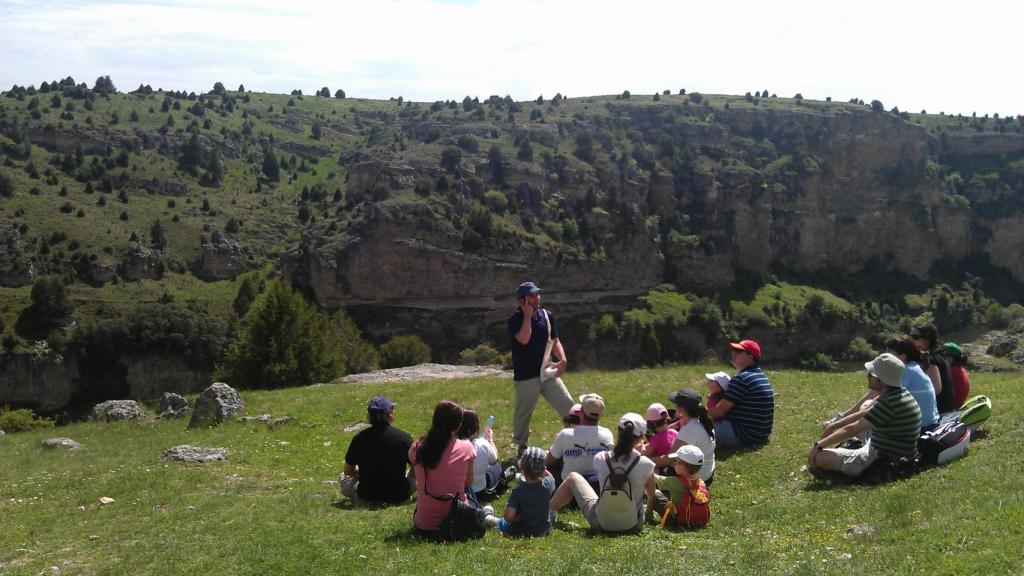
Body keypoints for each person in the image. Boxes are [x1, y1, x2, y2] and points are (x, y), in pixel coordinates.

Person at [808, 353, 922, 478]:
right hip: (894, 450)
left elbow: (851, 429)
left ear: (881, 379)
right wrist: (834, 425)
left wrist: (818, 446)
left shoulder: (889, 403)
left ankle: (839, 471)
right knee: (867, 404)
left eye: (871, 374)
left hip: (881, 459)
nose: (868, 375)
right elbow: (865, 413)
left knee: (821, 458)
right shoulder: (899, 394)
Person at [549, 413, 656, 534]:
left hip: (601, 522)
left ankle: (550, 512)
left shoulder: (600, 458)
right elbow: (651, 494)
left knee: (573, 477)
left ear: (618, 431)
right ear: (641, 437)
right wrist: (649, 514)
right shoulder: (647, 464)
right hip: (633, 525)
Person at [508, 281, 574, 453]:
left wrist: (563, 360)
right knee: (524, 414)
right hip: (526, 376)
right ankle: (521, 446)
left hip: (546, 371)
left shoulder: (547, 316)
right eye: (531, 296)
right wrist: (528, 316)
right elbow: (524, 339)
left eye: (537, 294)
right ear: (522, 301)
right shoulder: (514, 320)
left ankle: (573, 438)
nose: (537, 298)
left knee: (567, 405)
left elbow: (555, 340)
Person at [409, 400, 477, 534]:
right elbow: (468, 483)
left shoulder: (417, 447)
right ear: (458, 426)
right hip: (456, 523)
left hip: (423, 525)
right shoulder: (466, 448)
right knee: (471, 499)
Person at [340, 396, 414, 505]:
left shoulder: (359, 438)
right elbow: (415, 468)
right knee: (418, 473)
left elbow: (348, 471)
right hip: (398, 496)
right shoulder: (404, 438)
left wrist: (367, 475)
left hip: (366, 496)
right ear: (389, 414)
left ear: (369, 416)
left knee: (343, 476)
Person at [707, 339, 774, 448]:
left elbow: (718, 412)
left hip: (742, 435)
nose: (733, 353)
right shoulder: (759, 375)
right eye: (733, 350)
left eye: (738, 351)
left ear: (750, 357)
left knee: (693, 426)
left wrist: (695, 414)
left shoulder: (742, 379)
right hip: (760, 435)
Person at [485, 446, 556, 537]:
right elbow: (551, 478)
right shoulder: (548, 485)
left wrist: (517, 518)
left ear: (521, 466)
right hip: (543, 530)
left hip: (521, 530)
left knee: (501, 522)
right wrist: (541, 468)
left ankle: (488, 517)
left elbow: (509, 517)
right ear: (543, 470)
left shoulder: (517, 492)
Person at [547, 393, 614, 489]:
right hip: (598, 488)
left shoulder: (565, 434)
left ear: (581, 411)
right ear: (602, 414)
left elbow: (550, 461)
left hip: (570, 491)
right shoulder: (607, 434)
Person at [645, 445, 712, 530]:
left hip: (677, 520)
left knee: (655, 493)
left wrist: (646, 463)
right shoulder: (701, 482)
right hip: (697, 519)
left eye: (675, 461)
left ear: (683, 467)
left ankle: (649, 516)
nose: (674, 464)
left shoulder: (675, 482)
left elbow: (653, 477)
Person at [457, 410, 513, 503]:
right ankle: (503, 479)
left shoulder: (450, 446)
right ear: (474, 429)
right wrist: (491, 440)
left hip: (457, 493)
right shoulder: (482, 444)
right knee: (498, 468)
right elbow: (494, 461)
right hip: (479, 492)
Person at [667, 388, 716, 484]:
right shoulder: (703, 421)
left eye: (676, 404)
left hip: (696, 480)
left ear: (681, 409)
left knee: (660, 469)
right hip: (708, 473)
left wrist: (649, 460)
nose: (674, 406)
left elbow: (669, 459)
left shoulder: (689, 430)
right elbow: (680, 423)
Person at [911, 324, 955, 413]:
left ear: (927, 339)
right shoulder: (938, 355)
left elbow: (934, 391)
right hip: (945, 410)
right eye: (909, 336)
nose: (910, 340)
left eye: (915, 337)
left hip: (939, 413)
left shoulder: (931, 361)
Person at [943, 342, 971, 409]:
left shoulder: (951, 371)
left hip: (950, 408)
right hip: (957, 405)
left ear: (950, 359)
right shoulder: (960, 369)